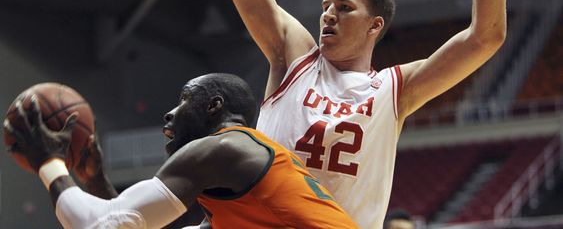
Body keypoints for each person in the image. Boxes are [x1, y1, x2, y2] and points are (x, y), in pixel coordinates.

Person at [174, 0, 513, 227]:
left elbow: (486, 36)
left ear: (374, 25)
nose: (328, 14)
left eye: (345, 7)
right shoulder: (294, 55)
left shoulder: (393, 89)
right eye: (326, 5)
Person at [4, 73, 359, 229]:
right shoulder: (238, 186)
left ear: (214, 107)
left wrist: (47, 161)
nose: (170, 113)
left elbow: (101, 225)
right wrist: (96, 182)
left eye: (185, 99)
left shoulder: (224, 147)